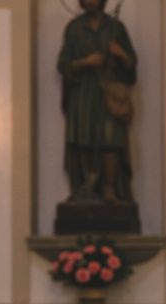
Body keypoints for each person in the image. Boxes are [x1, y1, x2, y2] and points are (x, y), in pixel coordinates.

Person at [58, 0, 137, 204]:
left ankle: (109, 188)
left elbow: (131, 66)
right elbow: (63, 64)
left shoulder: (116, 28)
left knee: (111, 138)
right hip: (83, 93)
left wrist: (121, 54)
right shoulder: (75, 29)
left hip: (109, 91)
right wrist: (86, 62)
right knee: (84, 136)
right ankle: (87, 187)